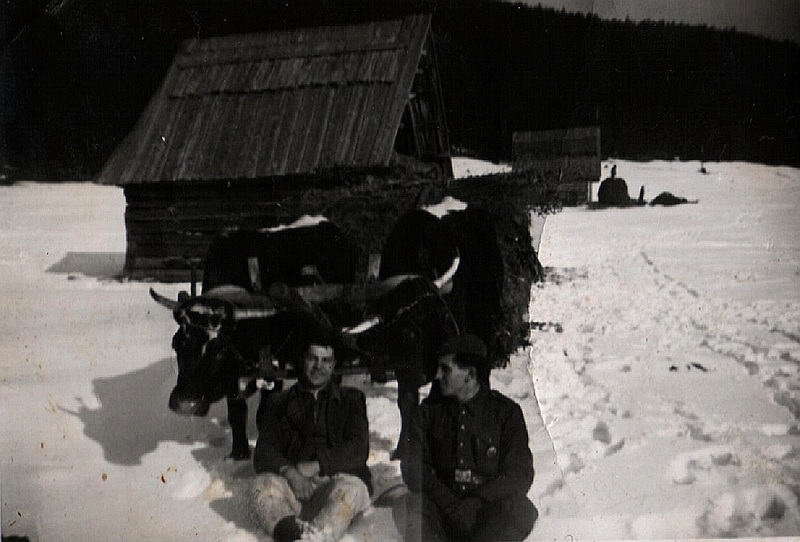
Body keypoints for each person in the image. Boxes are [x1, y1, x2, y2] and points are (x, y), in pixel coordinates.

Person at [400, 334, 537, 541]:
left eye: (445, 369)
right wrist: (449, 503)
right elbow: (412, 467)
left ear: (470, 375)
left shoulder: (505, 413)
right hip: (442, 513)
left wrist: (477, 502)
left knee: (521, 510)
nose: (437, 376)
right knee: (410, 506)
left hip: (486, 516)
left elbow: (519, 472)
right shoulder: (428, 413)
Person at [248, 329, 372, 542]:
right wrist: (290, 473)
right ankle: (291, 534)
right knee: (261, 486)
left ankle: (316, 537)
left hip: (336, 488)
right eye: (312, 359)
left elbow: (358, 448)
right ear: (302, 361)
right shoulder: (279, 402)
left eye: (326, 361)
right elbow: (263, 452)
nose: (319, 367)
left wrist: (317, 465)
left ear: (333, 366)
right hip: (293, 490)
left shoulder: (351, 399)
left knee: (352, 489)